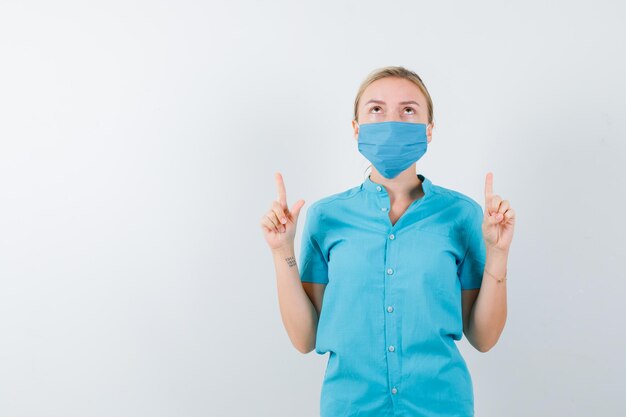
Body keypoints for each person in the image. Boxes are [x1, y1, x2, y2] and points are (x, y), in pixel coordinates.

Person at [260, 66, 515, 417]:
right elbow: (305, 339)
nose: (391, 120)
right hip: (350, 407)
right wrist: (281, 251)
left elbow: (483, 338)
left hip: (442, 406)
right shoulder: (326, 217)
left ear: (428, 130)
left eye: (408, 110)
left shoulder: (462, 215)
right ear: (356, 128)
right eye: (376, 109)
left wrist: (498, 253)